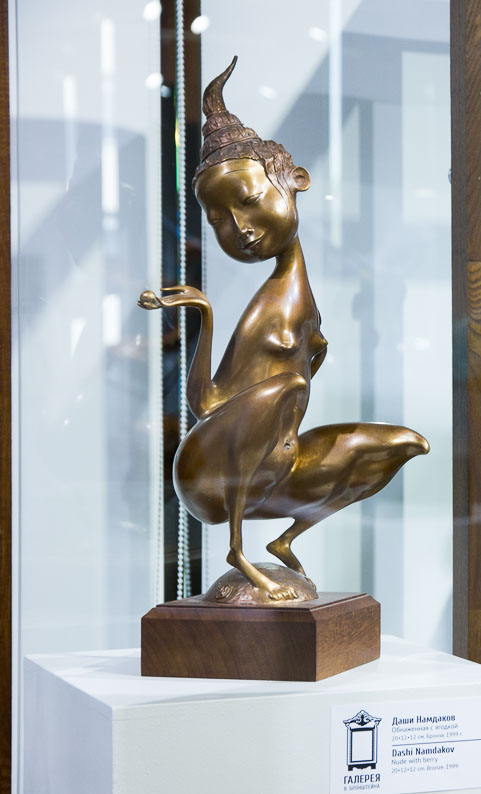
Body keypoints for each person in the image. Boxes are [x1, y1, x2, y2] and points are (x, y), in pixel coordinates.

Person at [139, 57, 428, 601]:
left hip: (276, 464)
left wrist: (309, 356)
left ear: (295, 182)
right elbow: (208, 405)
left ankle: (286, 539)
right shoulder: (266, 308)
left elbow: (305, 359)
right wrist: (201, 311)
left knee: (392, 445)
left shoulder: (295, 296)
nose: (240, 228)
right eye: (218, 221)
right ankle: (238, 552)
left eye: (248, 202)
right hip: (212, 475)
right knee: (290, 386)